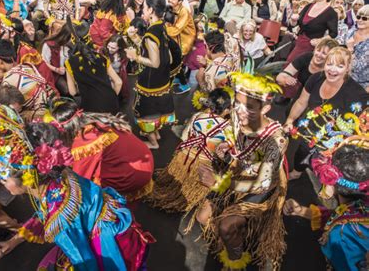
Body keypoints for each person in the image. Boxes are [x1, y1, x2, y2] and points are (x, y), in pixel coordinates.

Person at [0, 110, 154, 270]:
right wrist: (13, 241)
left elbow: (84, 262)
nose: (1, 180)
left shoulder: (61, 219)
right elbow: (44, 213)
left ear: (29, 178)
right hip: (121, 232)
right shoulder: (60, 178)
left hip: (113, 251)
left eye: (4, 174)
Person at [194, 72, 288, 270]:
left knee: (227, 226)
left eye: (250, 108)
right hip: (237, 177)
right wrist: (225, 157)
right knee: (202, 218)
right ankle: (233, 236)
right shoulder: (238, 121)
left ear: (266, 109)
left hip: (261, 189)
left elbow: (263, 183)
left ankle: (235, 258)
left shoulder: (276, 140)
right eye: (237, 103)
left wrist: (218, 183)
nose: (240, 111)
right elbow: (241, 158)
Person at [283, 47, 369, 179]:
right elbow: (301, 102)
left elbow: (357, 128)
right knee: (302, 152)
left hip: (333, 142)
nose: (332, 69)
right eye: (329, 64)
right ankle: (297, 172)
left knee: (325, 172)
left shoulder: (357, 95)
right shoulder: (316, 78)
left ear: (348, 68)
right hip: (309, 131)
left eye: (340, 66)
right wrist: (290, 120)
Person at [48, 98, 154, 202]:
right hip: (144, 161)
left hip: (134, 175)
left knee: (91, 187)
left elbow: (81, 178)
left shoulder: (85, 143)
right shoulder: (94, 120)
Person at [284, 142, 369, 271]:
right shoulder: (359, 206)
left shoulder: (340, 237)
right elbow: (347, 215)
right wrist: (303, 211)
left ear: (331, 182)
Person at [149, 88, 232, 213]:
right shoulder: (228, 128)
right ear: (226, 110)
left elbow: (184, 137)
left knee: (173, 178)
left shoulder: (197, 116)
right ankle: (183, 199)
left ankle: (169, 188)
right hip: (203, 165)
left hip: (184, 157)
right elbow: (223, 153)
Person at [125, 0, 176, 149]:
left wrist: (135, 57)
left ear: (152, 10)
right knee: (157, 109)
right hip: (161, 79)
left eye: (145, 8)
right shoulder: (160, 26)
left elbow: (154, 62)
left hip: (151, 81)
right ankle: (156, 132)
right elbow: (155, 50)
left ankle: (153, 142)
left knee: (145, 112)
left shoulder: (150, 33)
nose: (142, 11)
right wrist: (134, 39)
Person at [65, 20, 122, 114]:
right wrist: (111, 97)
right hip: (111, 104)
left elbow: (72, 92)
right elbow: (118, 82)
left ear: (72, 40)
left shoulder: (69, 63)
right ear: (89, 38)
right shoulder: (102, 57)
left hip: (91, 108)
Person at [286, 0, 338, 66]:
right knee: (288, 64)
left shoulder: (331, 13)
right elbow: (294, 25)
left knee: (298, 68)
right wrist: (293, 20)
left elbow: (334, 33)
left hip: (312, 47)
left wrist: (320, 41)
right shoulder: (308, 6)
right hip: (299, 42)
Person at [347, 5, 369, 91]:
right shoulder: (350, 32)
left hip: (360, 86)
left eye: (364, 18)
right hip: (339, 78)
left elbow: (357, 67)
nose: (360, 20)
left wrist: (350, 50)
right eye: (358, 17)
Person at [103, 34, 130, 102]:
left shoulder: (123, 55)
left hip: (118, 77)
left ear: (119, 47)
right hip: (105, 78)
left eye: (113, 48)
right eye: (108, 46)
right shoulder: (102, 52)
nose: (109, 49)